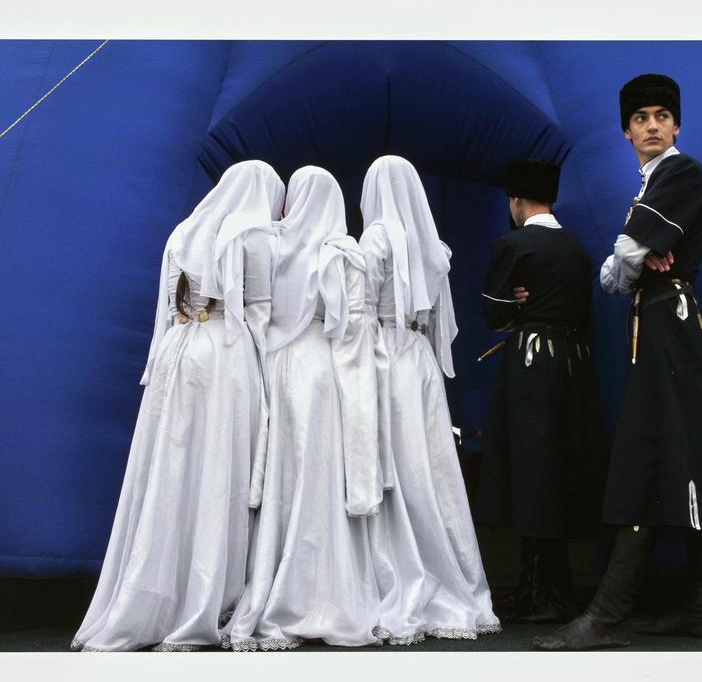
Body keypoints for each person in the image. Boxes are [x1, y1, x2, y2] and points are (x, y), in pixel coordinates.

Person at [533, 73, 702, 651]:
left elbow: (625, 257)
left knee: (647, 454)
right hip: (664, 325)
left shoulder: (680, 172)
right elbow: (635, 254)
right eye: (640, 118)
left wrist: (628, 260)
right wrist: (634, 257)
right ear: (626, 130)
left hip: (671, 326)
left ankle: (609, 615)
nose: (652, 125)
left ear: (676, 124)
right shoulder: (655, 184)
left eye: (661, 115)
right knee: (680, 453)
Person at [71, 160, 285, 651]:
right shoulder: (251, 236)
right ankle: (209, 596)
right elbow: (264, 314)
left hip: (178, 349)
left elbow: (165, 309)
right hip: (225, 357)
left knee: (168, 470)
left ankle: (150, 592)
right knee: (217, 470)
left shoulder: (183, 231)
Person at [222, 165, 383, 651]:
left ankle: (271, 581)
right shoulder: (341, 252)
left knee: (280, 481)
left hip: (274, 366)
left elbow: (255, 312)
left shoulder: (268, 244)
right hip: (320, 371)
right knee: (318, 477)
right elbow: (349, 329)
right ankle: (323, 585)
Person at [359, 155, 501, 642]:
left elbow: (358, 312)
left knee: (394, 468)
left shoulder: (375, 239)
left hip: (384, 357)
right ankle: (454, 574)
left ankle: (393, 577)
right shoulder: (433, 247)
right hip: (420, 361)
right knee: (431, 469)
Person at [476, 159, 608, 623]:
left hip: (530, 364)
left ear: (515, 201)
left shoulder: (513, 244)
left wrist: (513, 302)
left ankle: (537, 589)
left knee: (531, 471)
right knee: (559, 467)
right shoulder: (576, 248)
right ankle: (554, 584)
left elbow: (492, 313)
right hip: (573, 363)